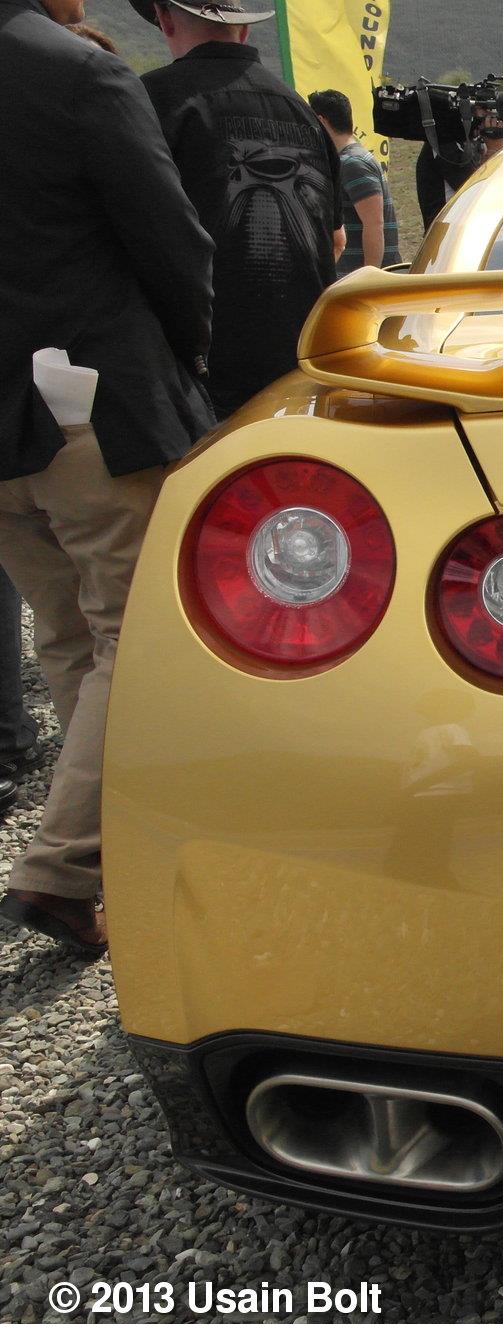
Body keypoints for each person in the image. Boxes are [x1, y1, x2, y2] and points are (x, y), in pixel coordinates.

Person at [0, 0, 215, 957]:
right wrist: (188, 360)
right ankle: (61, 865)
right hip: (93, 398)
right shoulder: (78, 72)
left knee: (63, 629)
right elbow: (172, 239)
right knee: (132, 628)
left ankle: (91, 849)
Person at [135, 0, 341, 420]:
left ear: (165, 18)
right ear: (243, 29)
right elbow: (335, 240)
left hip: (202, 368)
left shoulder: (150, 100)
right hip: (300, 362)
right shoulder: (302, 111)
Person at [307, 89, 399, 274]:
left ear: (321, 121)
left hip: (365, 284)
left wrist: (369, 277)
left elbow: (374, 224)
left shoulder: (352, 163)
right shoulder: (349, 160)